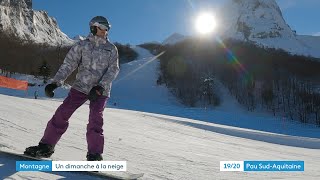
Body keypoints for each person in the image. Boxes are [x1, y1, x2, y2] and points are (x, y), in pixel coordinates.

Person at [24, 16, 120, 161]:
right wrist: (55, 82)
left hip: (100, 90)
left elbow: (113, 70)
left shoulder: (111, 49)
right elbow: (68, 64)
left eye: (108, 28)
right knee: (62, 113)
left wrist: (100, 86)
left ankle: (94, 155)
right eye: (103, 27)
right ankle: (46, 147)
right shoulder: (82, 45)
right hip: (81, 86)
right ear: (94, 27)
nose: (106, 31)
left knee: (96, 119)